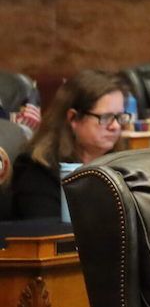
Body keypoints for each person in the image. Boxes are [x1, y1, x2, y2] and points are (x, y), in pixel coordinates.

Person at [12, 69, 129, 218]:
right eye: (106, 117)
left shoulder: (123, 166)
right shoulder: (37, 169)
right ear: (73, 118)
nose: (116, 126)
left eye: (119, 117)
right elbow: (48, 228)